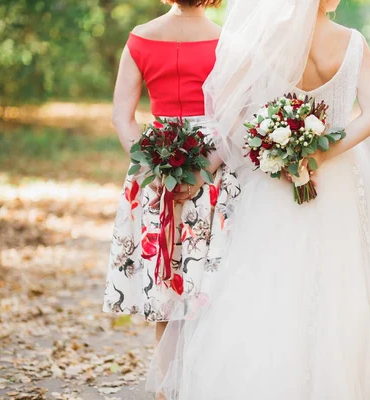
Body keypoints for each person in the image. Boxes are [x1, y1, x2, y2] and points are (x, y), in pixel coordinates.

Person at [147, 0, 370, 399]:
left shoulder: (259, 41)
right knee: (341, 285)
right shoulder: (352, 42)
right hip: (339, 179)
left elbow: (228, 115)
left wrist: (269, 148)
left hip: (272, 183)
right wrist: (325, 152)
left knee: (265, 282)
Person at [102, 0, 240, 352]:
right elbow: (233, 121)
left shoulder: (139, 39)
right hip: (212, 170)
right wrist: (202, 172)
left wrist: (153, 169)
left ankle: (165, 385)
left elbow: (122, 116)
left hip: (158, 165)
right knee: (211, 284)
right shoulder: (227, 43)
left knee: (167, 277)